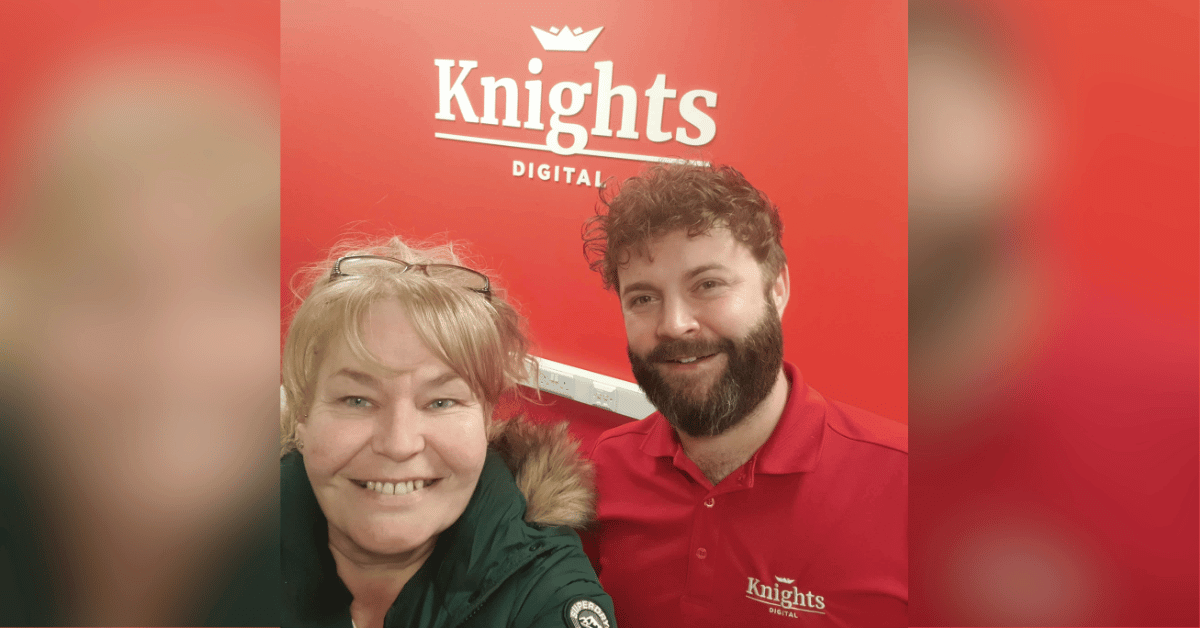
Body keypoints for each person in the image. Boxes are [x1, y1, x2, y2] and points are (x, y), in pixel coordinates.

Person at [580, 164, 907, 627]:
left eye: (708, 285)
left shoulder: (910, 488)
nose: (674, 324)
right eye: (643, 298)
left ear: (777, 290)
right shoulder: (604, 469)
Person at [280, 237, 616, 628]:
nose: (399, 444)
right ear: (302, 415)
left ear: (488, 420)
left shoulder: (546, 595)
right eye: (357, 400)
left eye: (440, 402)